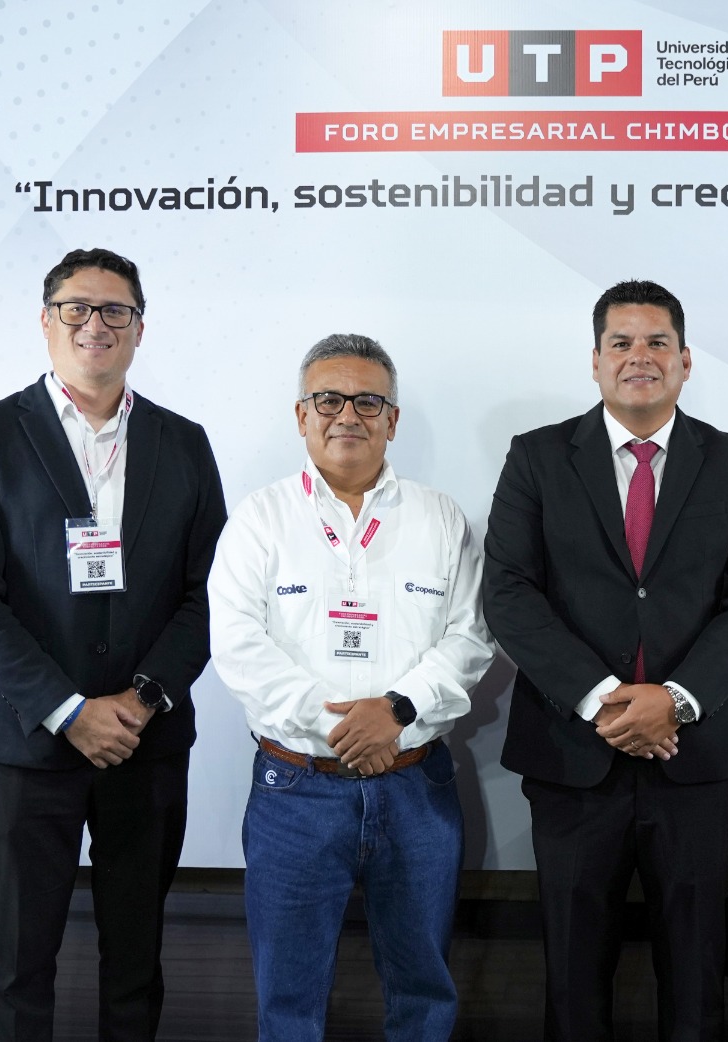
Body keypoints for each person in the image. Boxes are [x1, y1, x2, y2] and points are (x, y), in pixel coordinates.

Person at [0, 247, 227, 1040]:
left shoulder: (183, 441)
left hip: (144, 741)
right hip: (22, 747)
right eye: (76, 308)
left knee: (136, 964)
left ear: (139, 328)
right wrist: (68, 710)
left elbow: (211, 592)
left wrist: (140, 700)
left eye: (114, 310)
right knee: (22, 967)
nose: (95, 324)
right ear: (46, 321)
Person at [483, 279, 728, 1042]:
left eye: (657, 343)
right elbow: (509, 592)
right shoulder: (537, 457)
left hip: (697, 761)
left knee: (696, 974)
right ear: (595, 361)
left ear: (686, 361)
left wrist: (675, 698)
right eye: (621, 342)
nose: (639, 356)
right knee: (573, 975)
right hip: (573, 754)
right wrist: (604, 698)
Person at [207, 334, 494, 1041]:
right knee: (289, 1000)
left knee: (423, 992)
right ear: (301, 415)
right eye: (328, 400)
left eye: (368, 402)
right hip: (296, 792)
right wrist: (348, 729)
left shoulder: (441, 517)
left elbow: (471, 638)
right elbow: (238, 645)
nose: (348, 416)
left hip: (416, 787)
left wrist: (395, 713)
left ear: (392, 420)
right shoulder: (260, 518)